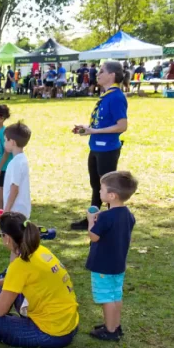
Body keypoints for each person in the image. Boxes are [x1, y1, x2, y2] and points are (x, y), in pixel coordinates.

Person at [0, 213, 79, 348]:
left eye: (0, 234)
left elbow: (0, 310)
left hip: (50, 334)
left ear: (7, 238)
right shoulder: (40, 250)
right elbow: (20, 279)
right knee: (5, 287)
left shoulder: (20, 265)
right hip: (70, 324)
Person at [70, 61, 128, 230]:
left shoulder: (117, 97)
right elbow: (103, 123)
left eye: (102, 71)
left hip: (107, 149)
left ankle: (112, 222)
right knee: (96, 185)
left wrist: (94, 132)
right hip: (96, 148)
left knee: (109, 187)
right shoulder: (106, 95)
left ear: (112, 75)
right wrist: (86, 129)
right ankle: (92, 218)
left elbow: (122, 126)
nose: (98, 74)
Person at [86, 171, 138, 341]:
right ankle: (115, 325)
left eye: (101, 189)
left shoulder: (105, 218)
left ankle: (109, 331)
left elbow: (94, 236)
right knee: (116, 295)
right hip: (118, 264)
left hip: (103, 265)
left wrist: (91, 221)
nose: (99, 192)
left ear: (112, 195)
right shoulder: (127, 214)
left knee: (106, 298)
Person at [2, 122, 32, 219]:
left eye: (5, 140)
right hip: (20, 211)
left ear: (12, 142)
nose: (4, 143)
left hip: (15, 212)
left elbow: (14, 188)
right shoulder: (22, 159)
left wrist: (6, 211)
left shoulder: (16, 162)